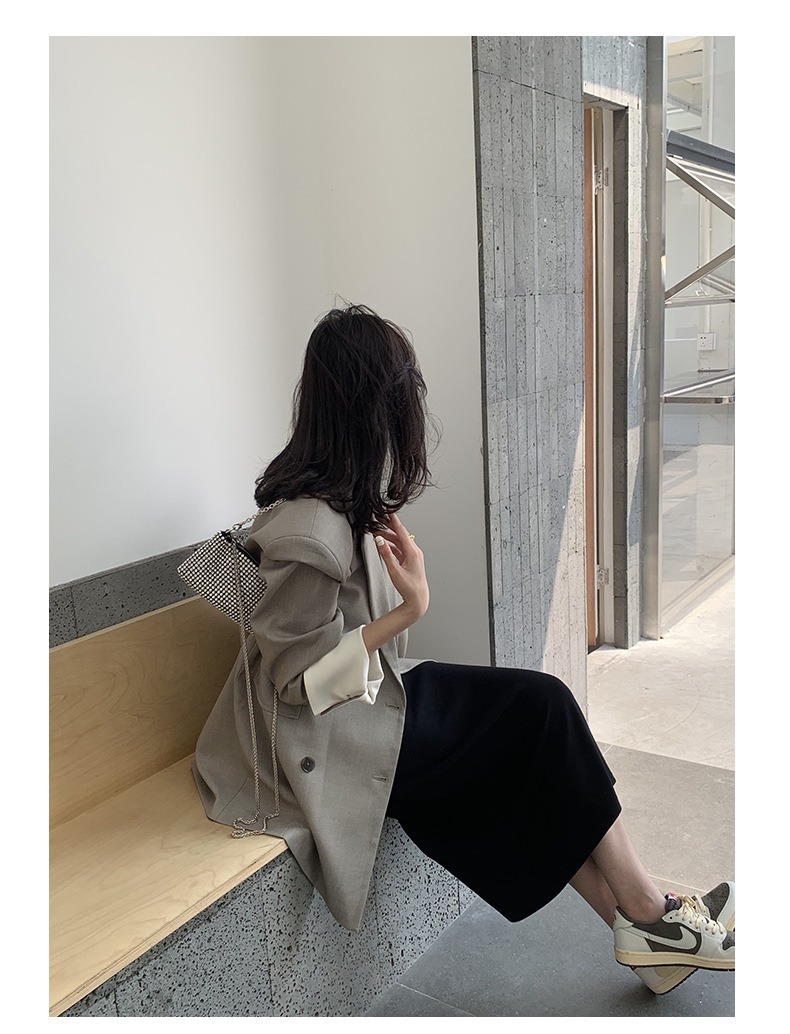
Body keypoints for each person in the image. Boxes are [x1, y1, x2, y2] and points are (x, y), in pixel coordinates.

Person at [192, 304, 734, 998]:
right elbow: (300, 687)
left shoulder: (338, 504)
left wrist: (399, 601)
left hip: (360, 702)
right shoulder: (311, 531)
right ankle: (651, 916)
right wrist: (412, 606)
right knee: (539, 711)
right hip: (315, 742)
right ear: (373, 408)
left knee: (533, 735)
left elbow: (345, 651)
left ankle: (648, 929)